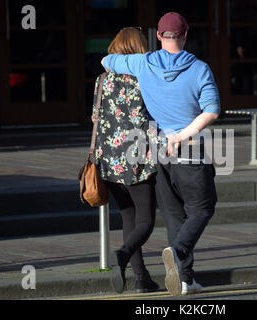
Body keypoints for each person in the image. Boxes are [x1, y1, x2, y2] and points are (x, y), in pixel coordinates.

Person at [101, 12, 220, 296]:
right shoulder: (200, 69)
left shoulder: (143, 64)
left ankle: (185, 280)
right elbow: (212, 111)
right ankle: (178, 252)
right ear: (186, 34)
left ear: (158, 36)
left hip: (160, 149)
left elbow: (107, 61)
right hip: (189, 147)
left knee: (173, 214)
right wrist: (182, 134)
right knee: (203, 207)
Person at [92, 27, 159, 294]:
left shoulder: (102, 79)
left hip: (108, 159)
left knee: (128, 217)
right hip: (137, 158)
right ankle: (123, 255)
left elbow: (95, 118)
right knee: (146, 220)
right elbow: (150, 118)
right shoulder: (144, 79)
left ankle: (142, 278)